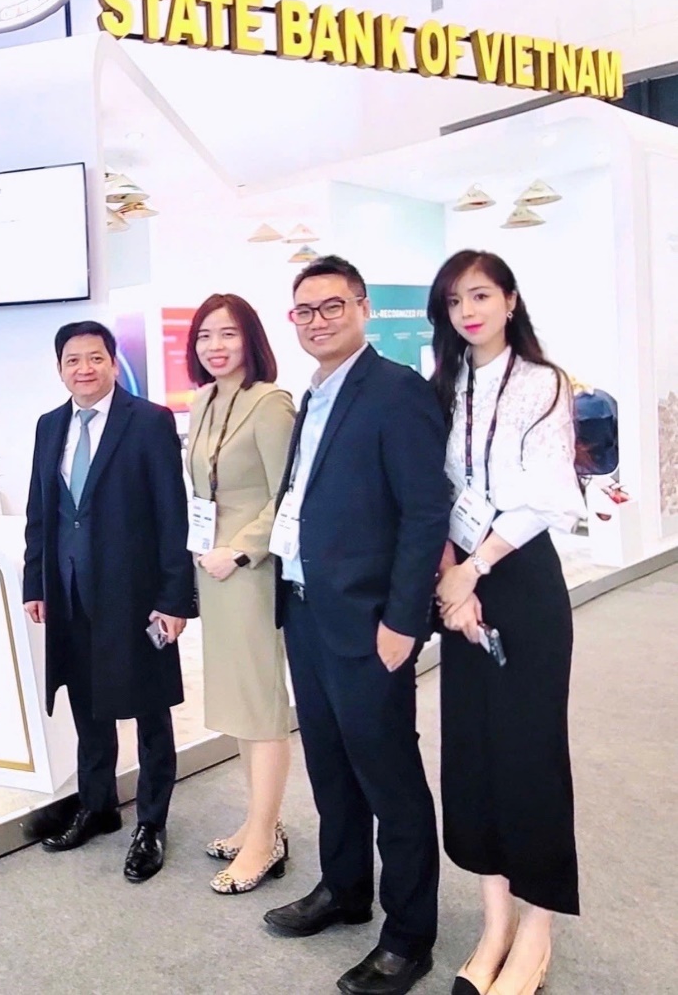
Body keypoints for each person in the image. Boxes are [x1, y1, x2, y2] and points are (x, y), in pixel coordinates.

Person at [261, 256, 450, 995]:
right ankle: (344, 889)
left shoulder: (395, 391)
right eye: (304, 311)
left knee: (388, 777)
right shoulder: (313, 392)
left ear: (363, 308)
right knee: (330, 765)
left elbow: (424, 513)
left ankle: (408, 937)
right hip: (308, 610)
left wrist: (404, 621)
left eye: (331, 306)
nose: (317, 321)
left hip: (371, 622)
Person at [428, 251, 584, 995]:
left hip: (518, 579)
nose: (468, 311)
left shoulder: (542, 382)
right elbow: (433, 491)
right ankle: (494, 925)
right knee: (473, 760)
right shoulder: (443, 385)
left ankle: (536, 931)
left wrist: (474, 568)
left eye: (481, 295)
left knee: (528, 759)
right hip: (458, 583)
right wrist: (451, 579)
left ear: (510, 301)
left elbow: (546, 494)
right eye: (455, 300)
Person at [23, 321, 193, 883]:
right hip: (69, 591)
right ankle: (98, 806)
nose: (84, 369)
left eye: (95, 358)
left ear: (114, 364)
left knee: (150, 710)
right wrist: (35, 584)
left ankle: (151, 823)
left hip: (136, 597)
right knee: (87, 705)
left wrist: (175, 598)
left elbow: (172, 516)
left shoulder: (149, 422)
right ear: (60, 369)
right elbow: (41, 513)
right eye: (73, 360)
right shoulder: (50, 426)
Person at [184, 294, 297, 895]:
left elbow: (290, 494)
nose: (215, 346)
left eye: (227, 334)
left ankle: (265, 839)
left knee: (259, 705)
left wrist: (243, 549)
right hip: (212, 566)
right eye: (205, 336)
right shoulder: (203, 400)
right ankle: (259, 822)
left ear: (249, 337)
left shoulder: (271, 403)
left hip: (250, 569)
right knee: (235, 702)